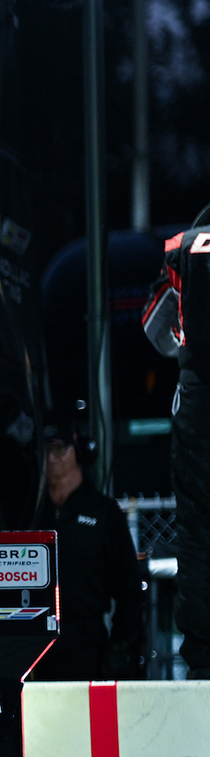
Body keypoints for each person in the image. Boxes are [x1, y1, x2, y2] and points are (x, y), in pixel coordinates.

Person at [29, 419, 149, 681]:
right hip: (33, 643)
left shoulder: (103, 512)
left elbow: (129, 587)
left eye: (60, 448)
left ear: (79, 452)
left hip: (85, 645)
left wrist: (121, 645)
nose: (51, 457)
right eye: (45, 449)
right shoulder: (30, 512)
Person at [145, 215, 210, 676]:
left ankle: (203, 659)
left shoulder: (182, 247)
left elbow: (154, 326)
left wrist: (186, 347)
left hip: (199, 397)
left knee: (198, 531)